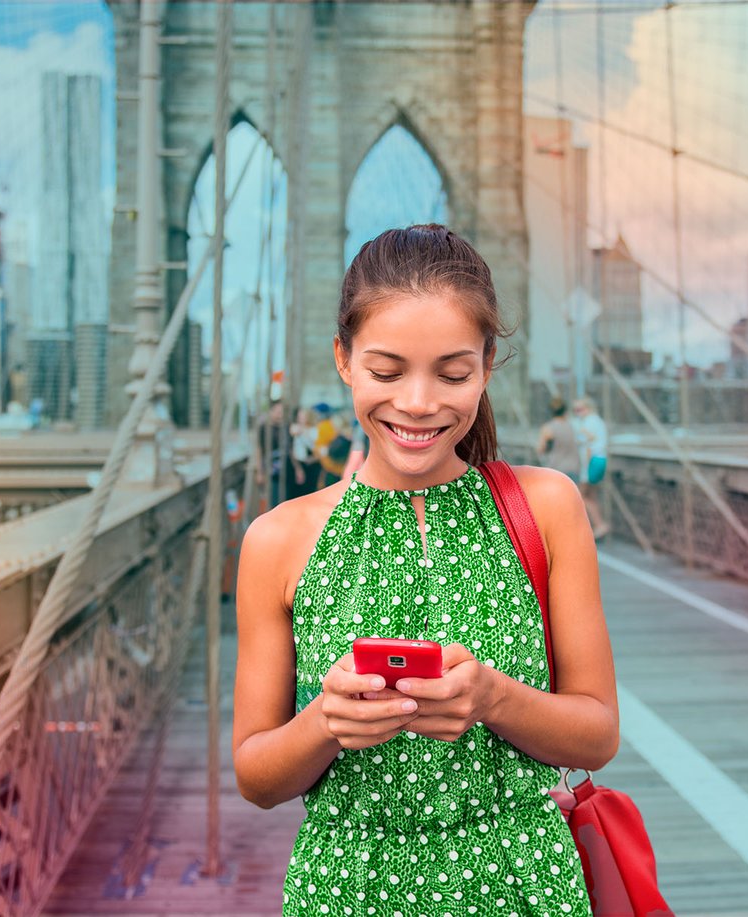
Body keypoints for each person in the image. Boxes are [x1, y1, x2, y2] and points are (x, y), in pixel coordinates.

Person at [233, 224, 617, 917]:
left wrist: (493, 697)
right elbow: (256, 776)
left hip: (523, 884)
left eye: (452, 371)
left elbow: (597, 733)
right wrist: (327, 719)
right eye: (386, 371)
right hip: (346, 889)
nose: (416, 402)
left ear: (488, 364)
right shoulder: (276, 539)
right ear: (343, 360)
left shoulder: (548, 506)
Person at [572, 397, 612, 540]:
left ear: (588, 408)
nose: (577, 413)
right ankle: (598, 524)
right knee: (591, 495)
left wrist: (584, 471)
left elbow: (588, 447)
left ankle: (598, 524)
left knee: (581, 495)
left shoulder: (589, 423)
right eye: (575, 410)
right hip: (600, 459)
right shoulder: (597, 421)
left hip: (591, 461)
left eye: (580, 409)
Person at [537, 396, 583, 486]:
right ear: (565, 411)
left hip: (556, 469)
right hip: (574, 469)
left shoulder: (548, 428)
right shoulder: (573, 426)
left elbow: (541, 449)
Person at [255, 400, 289, 507]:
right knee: (274, 498)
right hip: (271, 469)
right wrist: (260, 472)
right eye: (278, 412)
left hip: (286, 469)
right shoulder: (264, 428)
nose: (280, 415)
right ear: (271, 412)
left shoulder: (285, 427)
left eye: (282, 412)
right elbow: (259, 450)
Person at [288, 405, 323, 500]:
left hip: (312, 464)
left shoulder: (315, 430)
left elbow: (317, 447)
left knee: (310, 492)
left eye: (303, 416)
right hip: (299, 462)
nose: (301, 419)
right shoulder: (294, 428)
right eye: (299, 417)